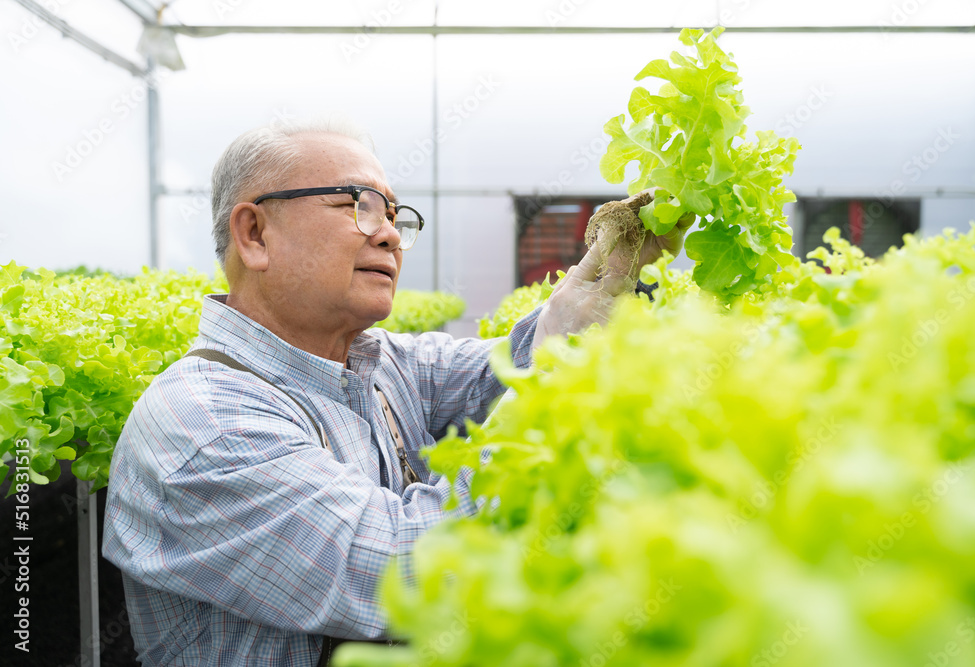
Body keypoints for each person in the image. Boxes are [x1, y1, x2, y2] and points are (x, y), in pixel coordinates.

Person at [102, 119, 686, 666]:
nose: (389, 235)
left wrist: (613, 270)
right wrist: (558, 362)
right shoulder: (205, 426)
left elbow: (502, 368)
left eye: (394, 215)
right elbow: (419, 574)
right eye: (357, 206)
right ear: (254, 234)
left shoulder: (372, 360)